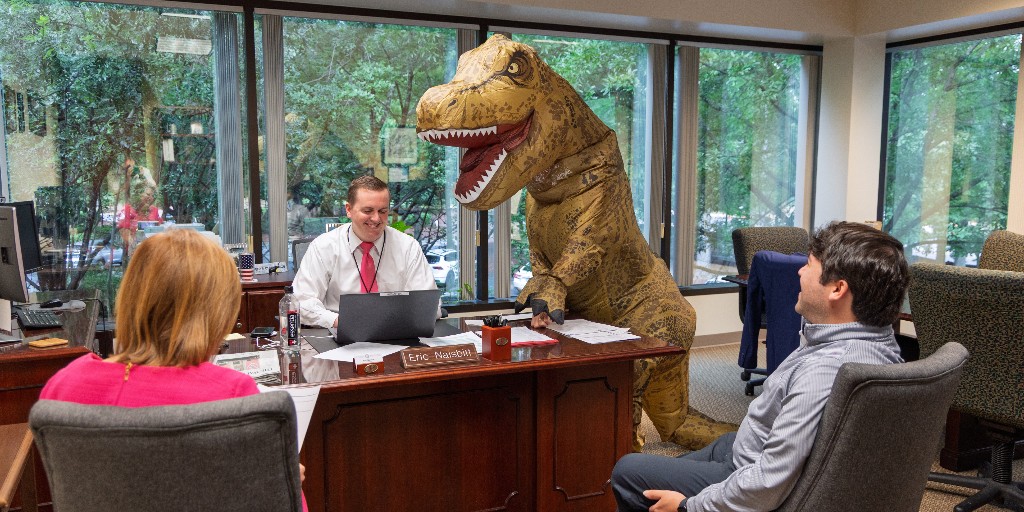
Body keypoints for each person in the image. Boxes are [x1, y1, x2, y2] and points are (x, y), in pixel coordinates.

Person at [611, 221, 910, 512]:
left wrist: (690, 505)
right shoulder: (880, 343)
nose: (799, 272)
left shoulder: (825, 371)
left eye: (808, 264)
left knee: (628, 472)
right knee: (688, 458)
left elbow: (769, 482)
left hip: (749, 474)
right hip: (744, 447)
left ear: (837, 289)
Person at [39, 229, 307, 510]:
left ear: (132, 296)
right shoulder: (237, 396)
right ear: (218, 311)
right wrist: (286, 481)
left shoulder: (63, 386)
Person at [291, 175, 437, 328]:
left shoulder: (408, 247)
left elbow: (430, 304)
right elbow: (300, 302)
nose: (376, 218)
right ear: (349, 209)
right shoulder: (324, 246)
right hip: (338, 332)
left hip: (395, 333)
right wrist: (339, 321)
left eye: (382, 211)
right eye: (368, 210)